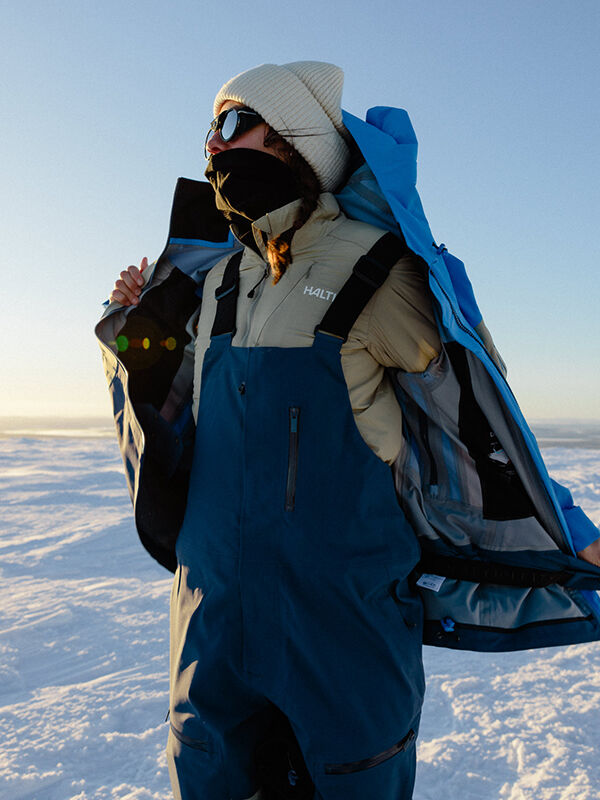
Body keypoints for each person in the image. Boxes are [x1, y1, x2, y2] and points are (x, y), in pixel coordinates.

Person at [106, 61, 600, 800]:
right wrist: (136, 336)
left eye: (236, 123)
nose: (213, 145)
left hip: (341, 641)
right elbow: (175, 424)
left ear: (295, 141)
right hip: (211, 635)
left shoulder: (378, 271)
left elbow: (483, 414)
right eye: (210, 128)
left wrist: (566, 527)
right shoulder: (214, 283)